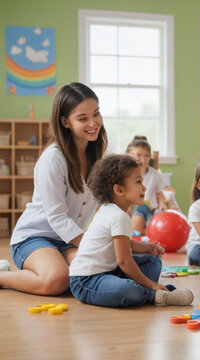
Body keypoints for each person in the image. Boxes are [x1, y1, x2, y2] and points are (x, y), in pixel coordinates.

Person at [0, 83, 108, 295]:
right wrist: (91, 243)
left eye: (96, 114)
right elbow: (57, 217)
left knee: (91, 272)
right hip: (34, 237)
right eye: (83, 118)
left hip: (66, 241)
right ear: (65, 121)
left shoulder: (98, 154)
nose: (93, 123)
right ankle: (3, 275)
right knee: (56, 280)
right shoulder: (53, 158)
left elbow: (107, 200)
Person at [69, 154, 193, 307]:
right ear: (119, 189)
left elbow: (127, 243)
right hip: (86, 280)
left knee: (152, 261)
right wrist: (151, 284)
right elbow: (124, 261)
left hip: (110, 272)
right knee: (128, 290)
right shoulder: (117, 216)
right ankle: (156, 295)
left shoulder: (117, 212)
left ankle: (146, 291)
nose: (144, 187)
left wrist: (147, 247)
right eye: (138, 182)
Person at [126, 135, 174, 235]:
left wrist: (162, 205)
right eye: (138, 155)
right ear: (128, 155)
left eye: (147, 155)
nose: (142, 159)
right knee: (136, 224)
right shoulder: (125, 174)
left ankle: (149, 231)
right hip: (132, 208)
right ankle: (147, 232)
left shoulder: (155, 175)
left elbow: (159, 192)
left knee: (161, 225)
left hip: (150, 208)